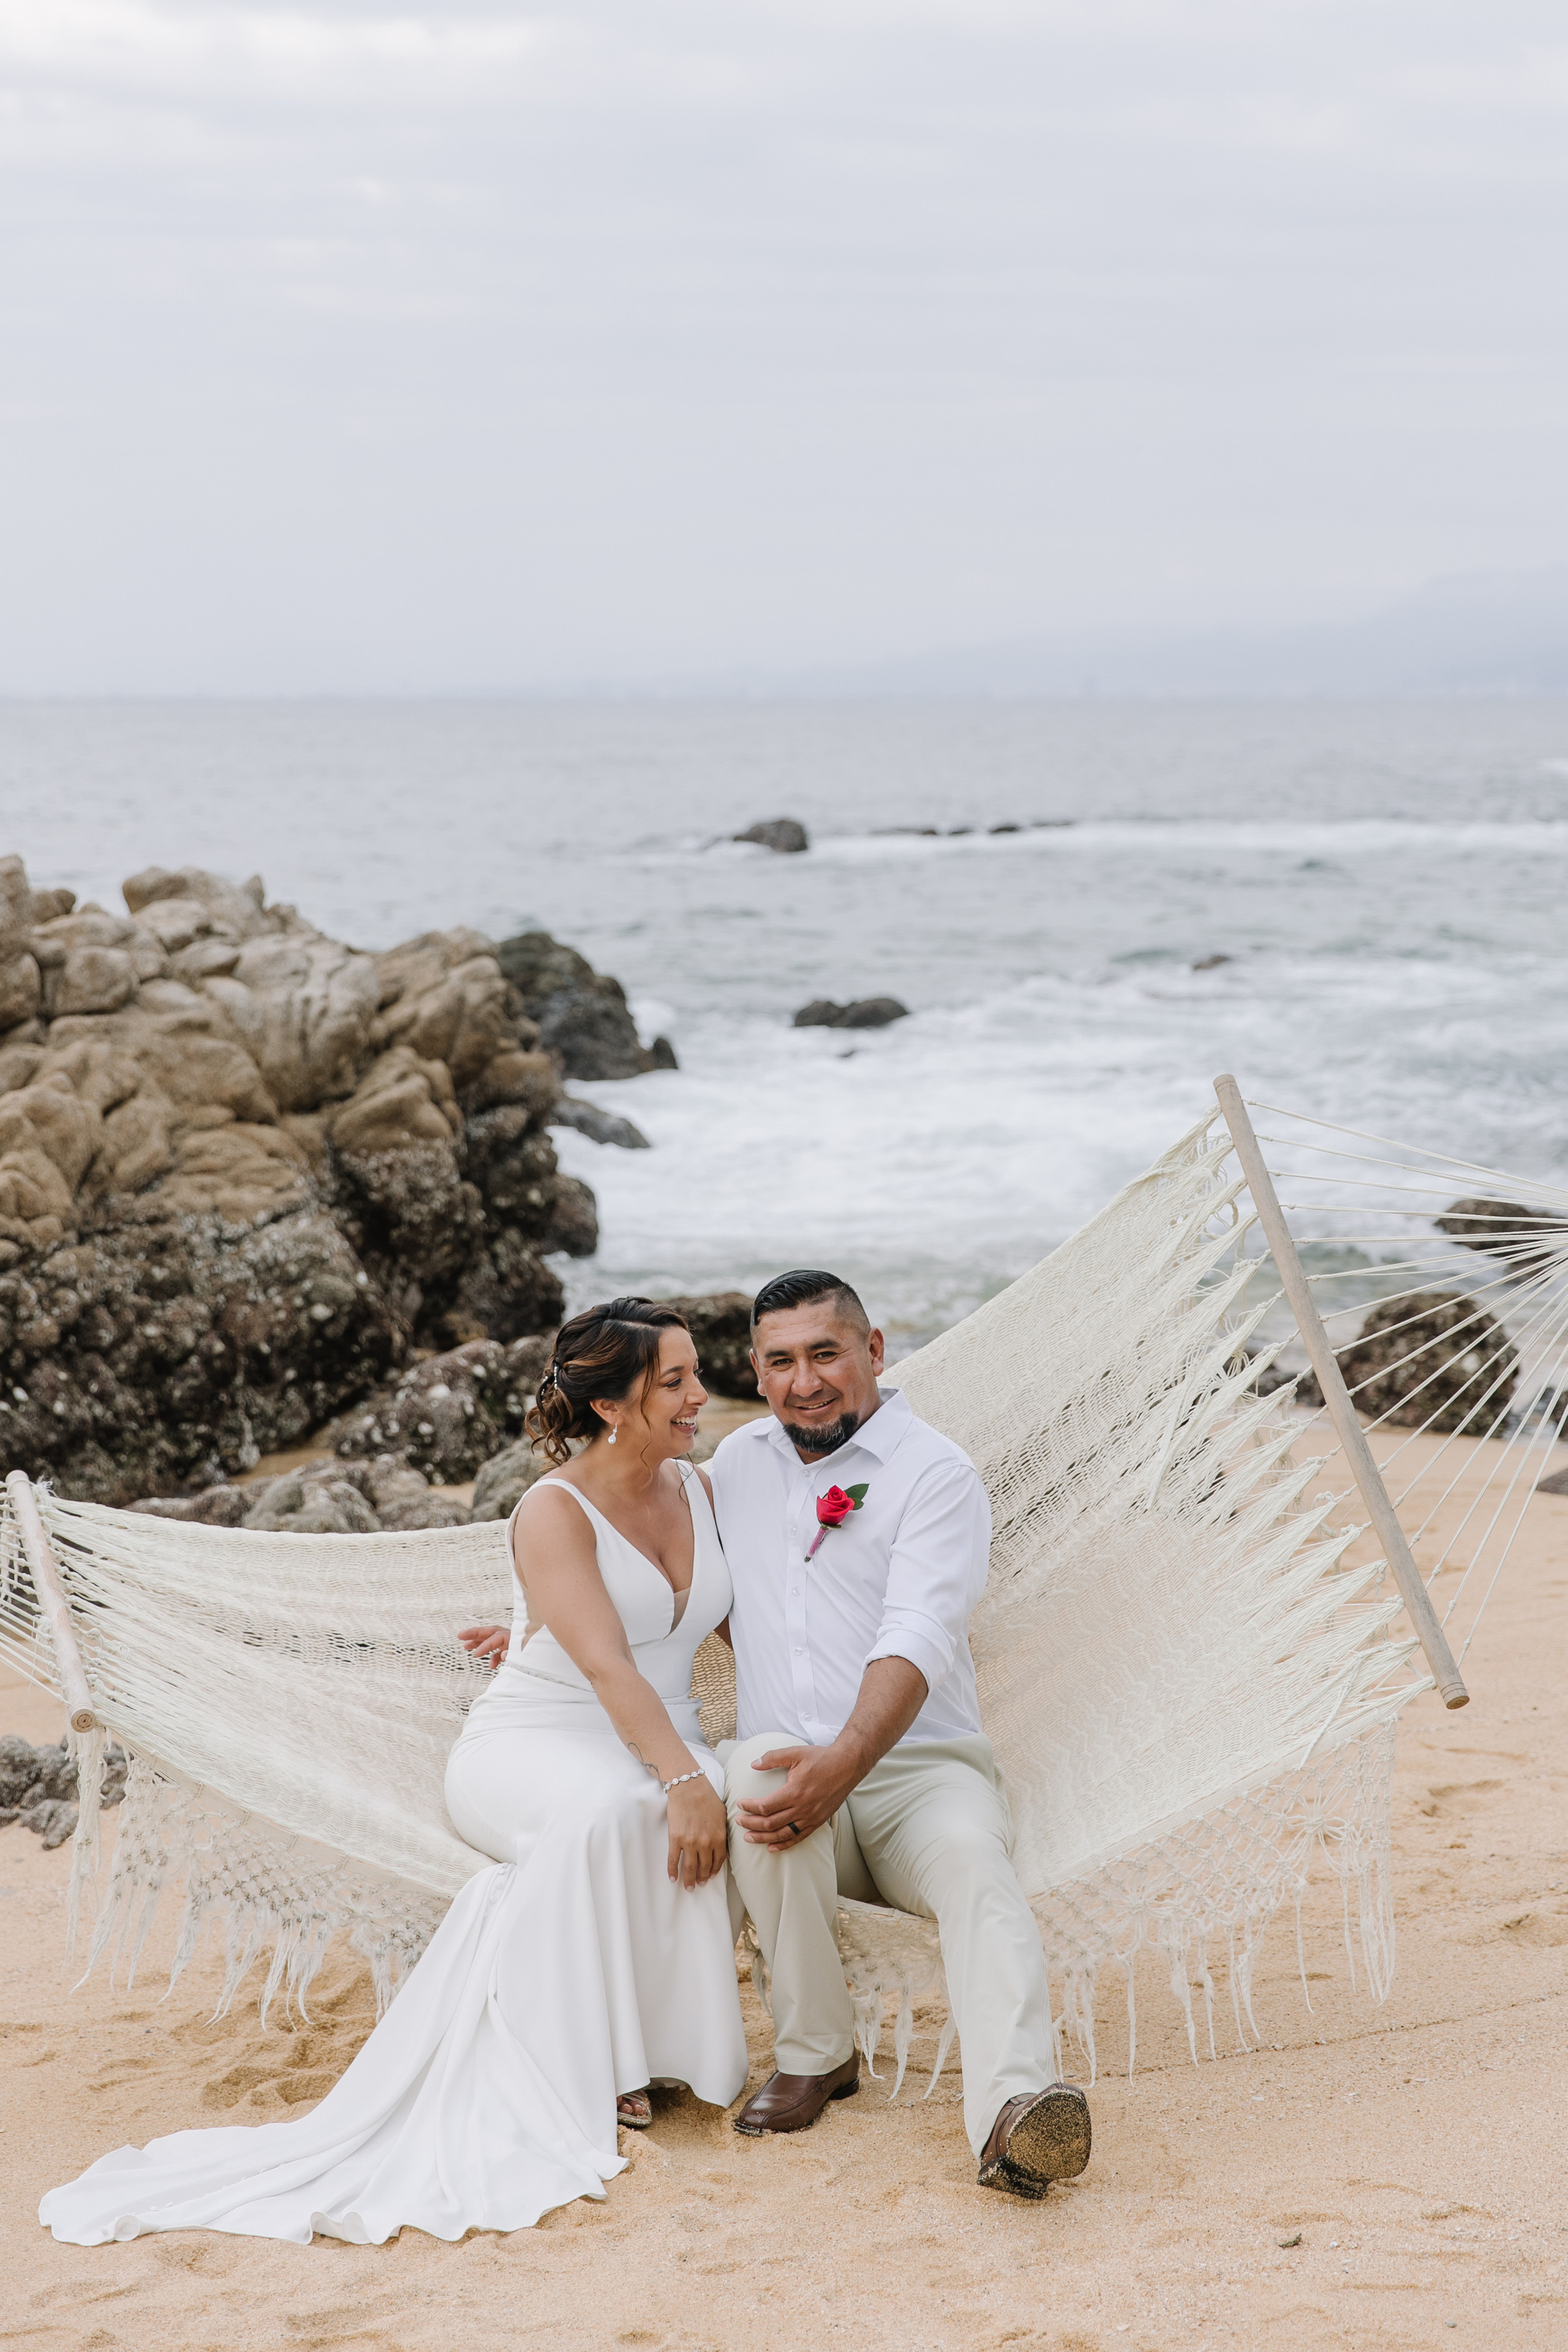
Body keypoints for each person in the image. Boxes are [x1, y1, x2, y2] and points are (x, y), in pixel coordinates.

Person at [40, 1299, 747, 2247]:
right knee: (613, 1809)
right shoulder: (552, 1509)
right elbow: (608, 1666)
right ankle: (590, 2062)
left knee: (671, 1798)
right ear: (615, 1405)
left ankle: (663, 2050)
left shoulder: (701, 1491)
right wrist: (680, 1779)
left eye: (697, 1373)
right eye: (677, 1380)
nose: (702, 1393)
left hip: (657, 1728)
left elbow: (723, 1624)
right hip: (535, 1738)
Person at [711, 1268, 1090, 2201]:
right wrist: (528, 1628)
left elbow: (917, 1634)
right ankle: (817, 2056)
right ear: (756, 1373)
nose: (806, 1382)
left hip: (924, 1771)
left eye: (826, 1354)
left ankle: (1013, 2114)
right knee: (759, 1780)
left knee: (975, 1868)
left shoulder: (936, 1474)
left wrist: (845, 1761)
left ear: (874, 1351)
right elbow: (667, 1583)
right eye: (781, 1362)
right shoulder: (732, 1469)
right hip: (794, 1767)